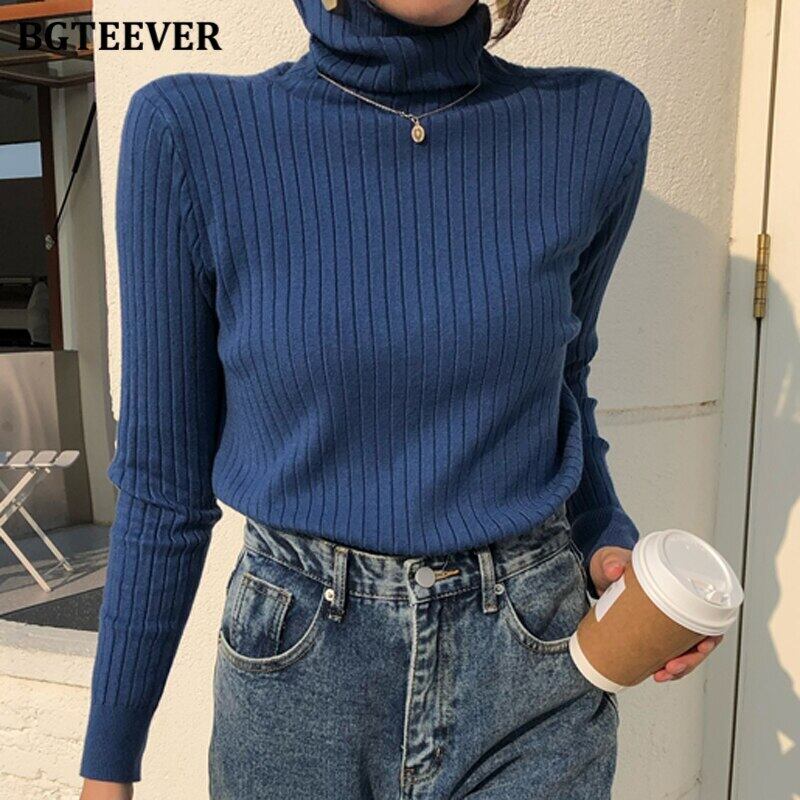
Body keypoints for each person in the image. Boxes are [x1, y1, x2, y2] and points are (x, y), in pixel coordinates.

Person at [79, 1, 722, 798]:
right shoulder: (191, 133)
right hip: (299, 672)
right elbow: (163, 485)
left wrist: (605, 537)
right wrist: (108, 767)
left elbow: (560, 379)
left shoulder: (595, 124)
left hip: (532, 657)